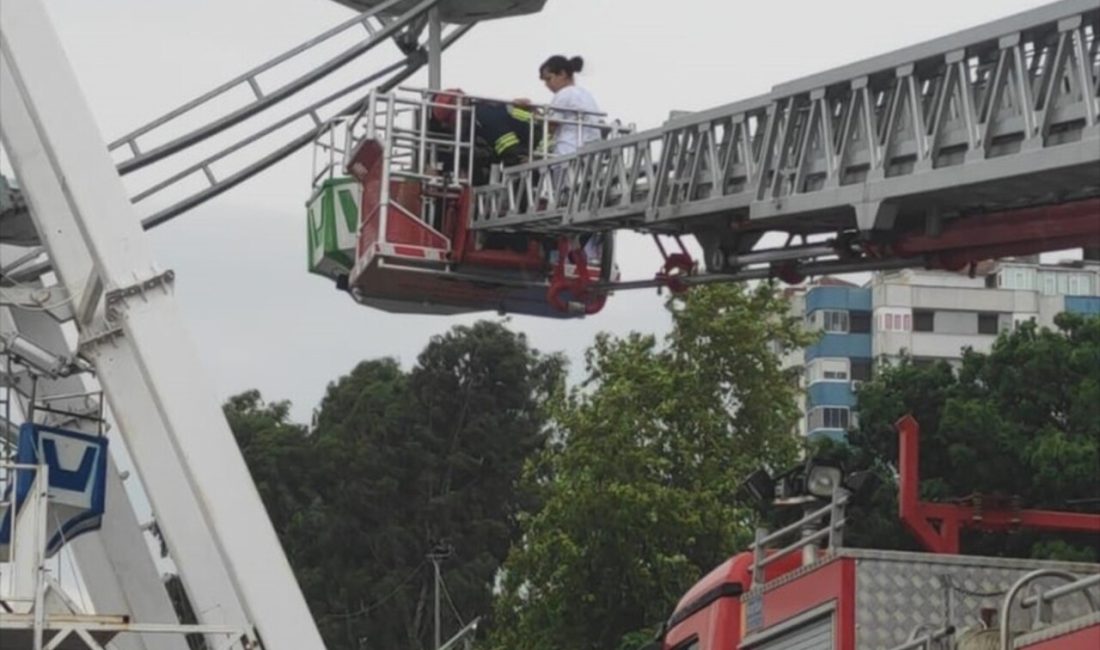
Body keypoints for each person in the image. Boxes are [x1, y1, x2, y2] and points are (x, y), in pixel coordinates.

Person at [539, 55, 602, 157]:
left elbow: (550, 127)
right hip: (590, 152)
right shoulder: (586, 94)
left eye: (549, 79)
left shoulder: (564, 93)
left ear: (562, 74)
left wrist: (532, 111)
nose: (547, 85)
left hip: (568, 150)